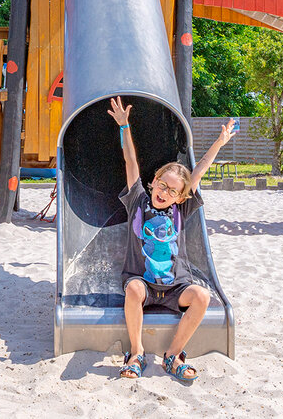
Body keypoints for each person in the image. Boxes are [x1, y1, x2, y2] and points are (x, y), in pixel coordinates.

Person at [107, 96, 235, 382]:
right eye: (162, 184)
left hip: (175, 286)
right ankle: (137, 352)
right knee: (133, 291)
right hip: (144, 282)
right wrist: (124, 126)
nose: (164, 192)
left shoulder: (182, 209)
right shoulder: (138, 200)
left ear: (181, 196)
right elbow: (130, 160)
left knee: (202, 296)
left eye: (172, 190)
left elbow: (199, 168)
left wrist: (219, 143)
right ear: (153, 181)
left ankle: (173, 354)